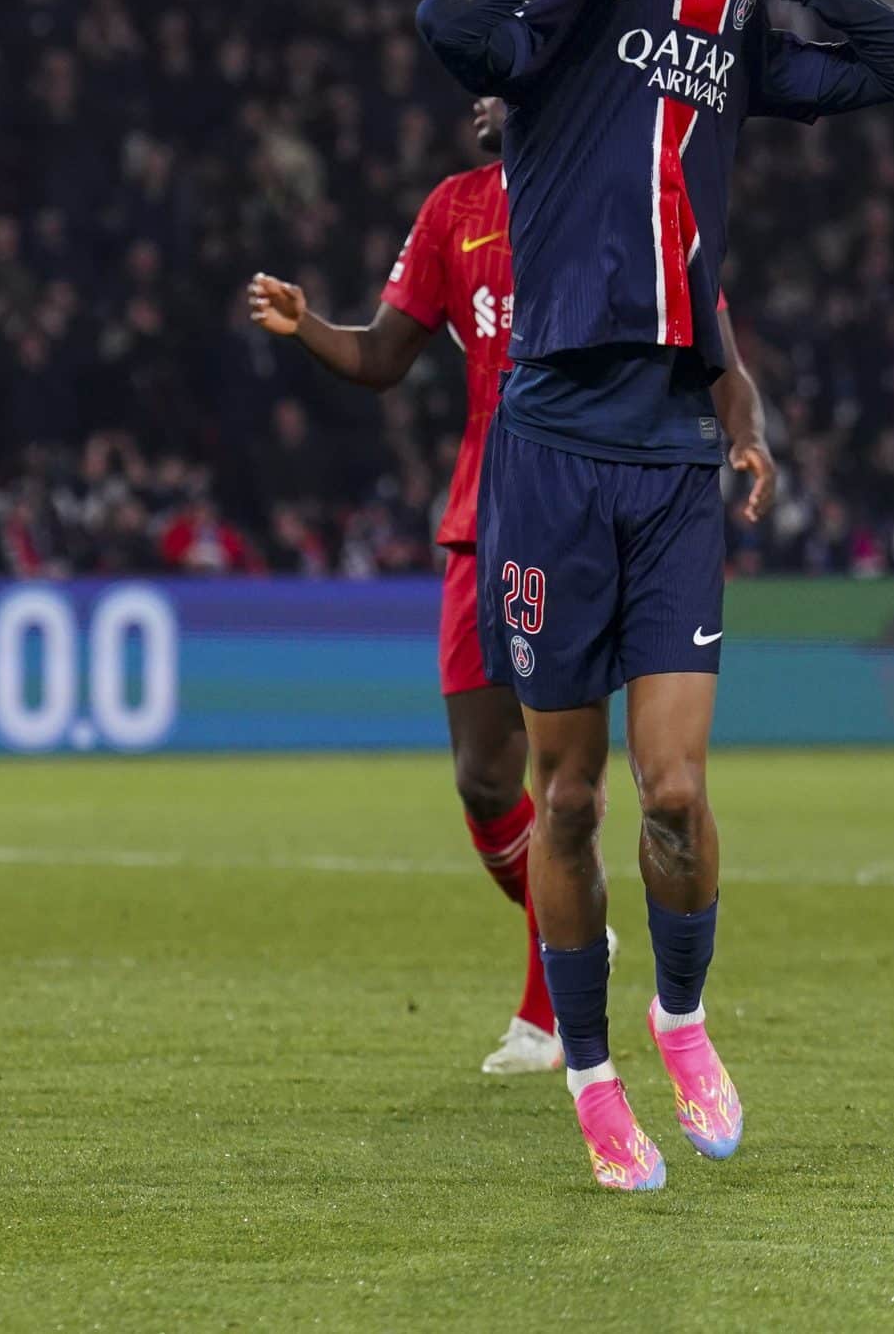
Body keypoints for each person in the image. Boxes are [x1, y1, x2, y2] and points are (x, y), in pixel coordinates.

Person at [418, 0, 894, 1189]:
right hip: (543, 450)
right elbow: (446, 22)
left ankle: (683, 1019)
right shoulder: (558, 35)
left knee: (672, 789)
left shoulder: (731, 50)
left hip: (668, 450)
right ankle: (594, 1079)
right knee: (570, 793)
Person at [248, 97, 776, 1076]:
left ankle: (551, 1013)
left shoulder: (630, 199)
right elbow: (381, 353)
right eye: (479, 84)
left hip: (621, 505)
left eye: (507, 80)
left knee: (580, 786)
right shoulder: (455, 209)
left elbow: (718, 352)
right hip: (488, 517)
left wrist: (742, 433)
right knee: (483, 777)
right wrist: (306, 324)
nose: (483, 99)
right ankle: (582, 937)